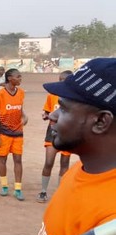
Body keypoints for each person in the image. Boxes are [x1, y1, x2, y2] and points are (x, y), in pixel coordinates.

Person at [28, 58, 116, 235]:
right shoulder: (80, 170)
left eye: (64, 108)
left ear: (100, 121)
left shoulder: (111, 218)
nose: (53, 116)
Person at [37, 70, 73, 203]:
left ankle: (60, 192)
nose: (61, 83)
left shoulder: (73, 98)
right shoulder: (52, 95)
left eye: (63, 80)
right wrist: (45, 116)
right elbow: (47, 111)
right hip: (52, 132)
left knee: (64, 163)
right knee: (48, 162)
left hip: (68, 133)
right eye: (60, 80)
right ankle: (43, 191)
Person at [0, 68, 28, 201]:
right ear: (10, 78)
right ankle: (4, 186)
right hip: (4, 132)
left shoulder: (21, 93)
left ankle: (18, 188)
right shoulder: (0, 94)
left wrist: (24, 116)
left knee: (18, 159)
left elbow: (19, 107)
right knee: (3, 159)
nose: (20, 79)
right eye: (18, 77)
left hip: (18, 132)